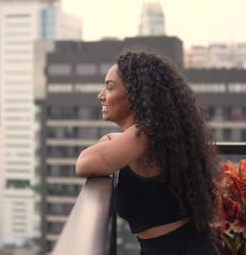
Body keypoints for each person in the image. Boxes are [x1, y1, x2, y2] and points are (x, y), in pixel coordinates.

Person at [75, 50, 220, 254]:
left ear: (136, 94)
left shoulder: (144, 134)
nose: (101, 95)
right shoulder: (155, 135)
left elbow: (83, 164)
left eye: (109, 87)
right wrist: (113, 139)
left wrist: (111, 140)